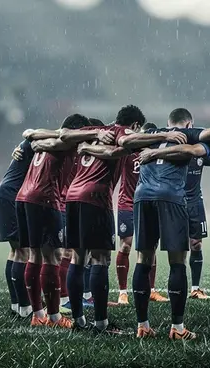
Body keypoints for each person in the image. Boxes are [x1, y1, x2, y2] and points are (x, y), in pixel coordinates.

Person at [118, 108, 210, 340]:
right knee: (177, 261)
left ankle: (143, 326)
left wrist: (160, 138)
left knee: (143, 259)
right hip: (171, 195)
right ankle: (177, 328)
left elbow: (126, 140)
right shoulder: (190, 134)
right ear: (188, 124)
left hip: (142, 195)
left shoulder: (153, 133)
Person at [62, 105, 146, 334]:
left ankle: (78, 321)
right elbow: (126, 146)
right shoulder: (123, 133)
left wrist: (90, 141)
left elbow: (65, 134)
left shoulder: (96, 129)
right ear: (135, 125)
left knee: (77, 258)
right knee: (100, 259)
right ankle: (101, 324)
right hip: (96, 197)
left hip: (73, 196)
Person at [15, 113, 91, 328]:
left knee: (34, 255)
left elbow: (33, 135)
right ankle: (55, 317)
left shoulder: (44, 141)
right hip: (45, 199)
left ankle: (38, 315)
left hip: (24, 197)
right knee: (52, 257)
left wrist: (32, 133)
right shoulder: (65, 141)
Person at [114, 121, 169, 306]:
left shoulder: (155, 154)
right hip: (127, 202)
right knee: (126, 245)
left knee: (150, 247)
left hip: (147, 202)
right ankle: (122, 292)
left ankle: (152, 290)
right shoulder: (128, 150)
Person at [0, 138, 33, 318]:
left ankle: (16, 304)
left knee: (15, 250)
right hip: (11, 196)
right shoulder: (45, 141)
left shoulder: (30, 143)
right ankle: (25, 309)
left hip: (5, 193)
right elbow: (31, 133)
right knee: (23, 251)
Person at [184, 123, 210, 300]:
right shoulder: (175, 149)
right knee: (177, 248)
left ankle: (195, 288)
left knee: (196, 243)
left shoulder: (200, 151)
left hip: (195, 202)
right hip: (176, 201)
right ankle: (178, 287)